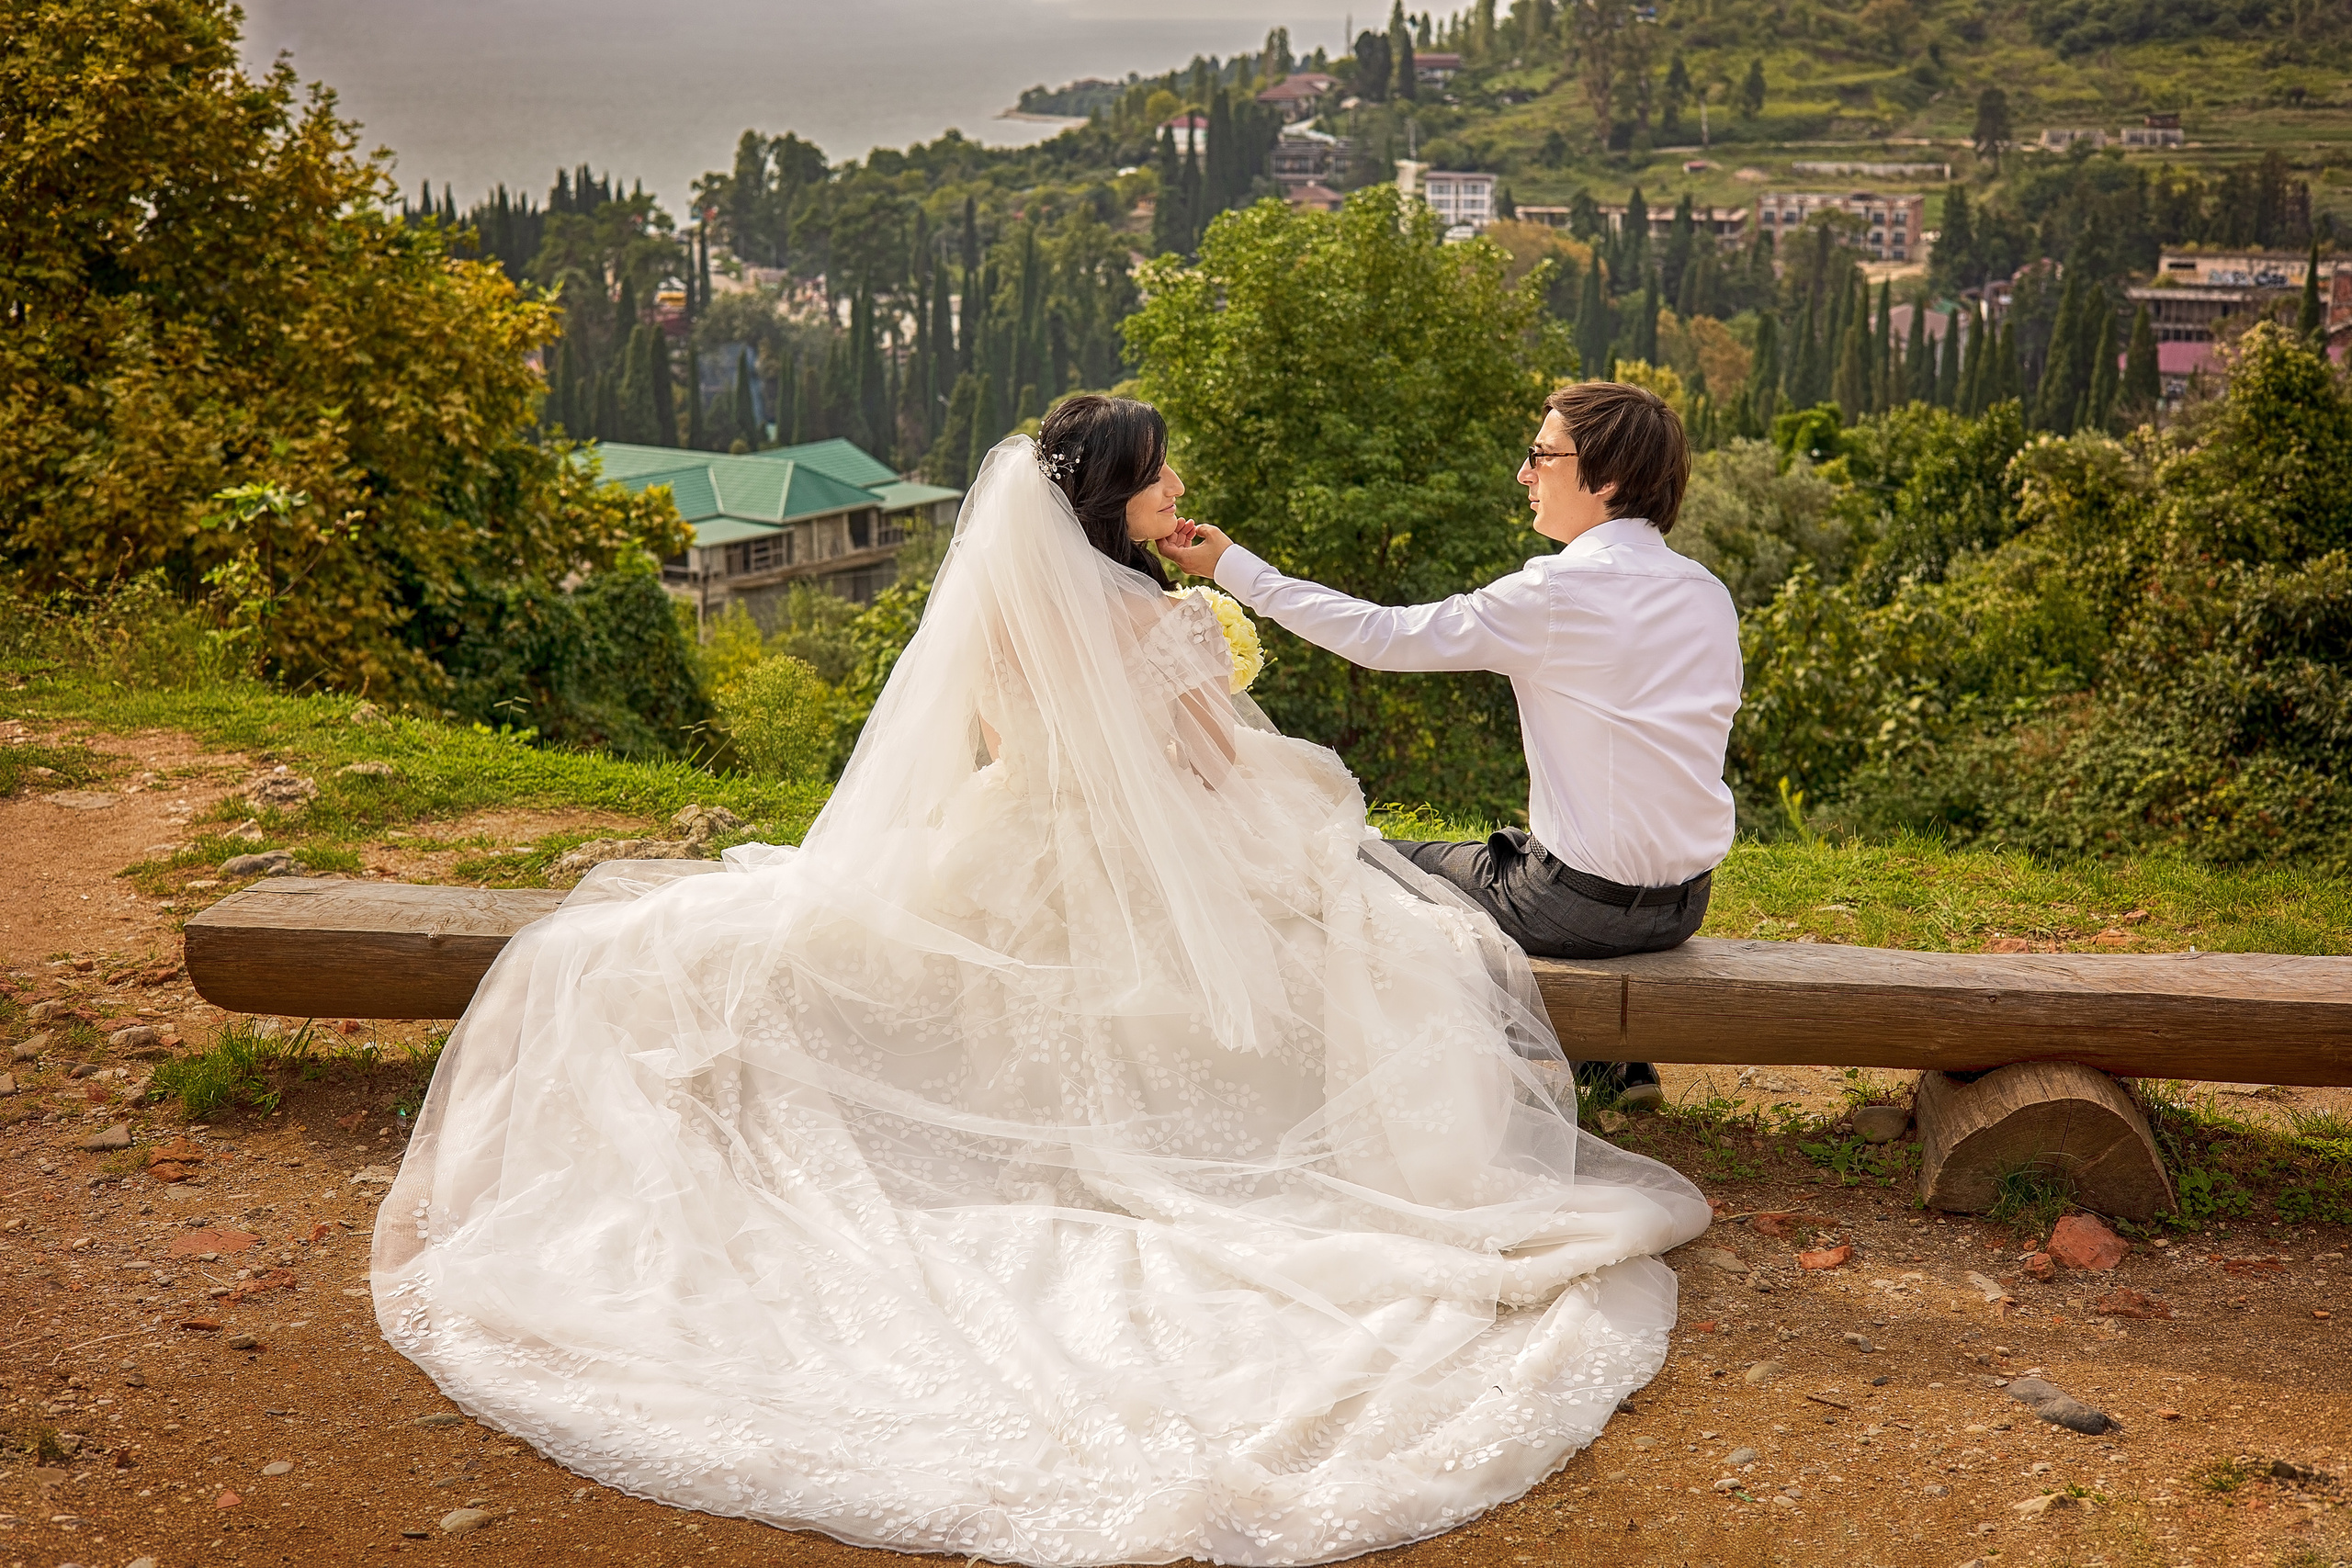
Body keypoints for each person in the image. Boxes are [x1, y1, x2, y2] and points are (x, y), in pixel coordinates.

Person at [374, 396, 1709, 1568]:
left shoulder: (1013, 607)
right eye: (1164, 472)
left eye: (1539, 453)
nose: (1179, 489)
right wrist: (1222, 693)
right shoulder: (1178, 620)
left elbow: (1002, 747)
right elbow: (1219, 771)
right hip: (1531, 879)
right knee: (1369, 895)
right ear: (1118, 497)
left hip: (1009, 842)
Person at [1159, 382, 1742, 1112]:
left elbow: (1381, 636)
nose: (1525, 473)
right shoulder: (1705, 592)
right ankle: (1612, 1062)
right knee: (1511, 852)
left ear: (1611, 477)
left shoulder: (1559, 594)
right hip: (1683, 903)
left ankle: (1397, 1073)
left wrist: (1236, 569)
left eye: (1541, 455)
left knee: (1357, 860)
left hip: (1579, 908)